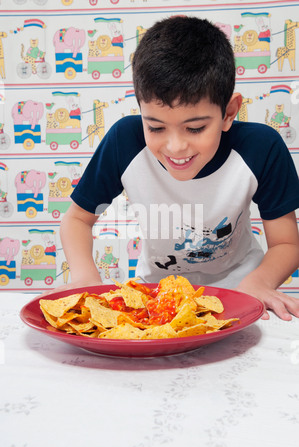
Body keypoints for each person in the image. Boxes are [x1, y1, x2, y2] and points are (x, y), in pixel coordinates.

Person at [59, 16, 299, 321]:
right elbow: (77, 220)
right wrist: (84, 278)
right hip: (155, 298)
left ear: (229, 113)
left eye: (195, 128)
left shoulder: (261, 148)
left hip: (242, 293)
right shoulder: (124, 141)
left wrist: (259, 283)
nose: (175, 147)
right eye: (156, 127)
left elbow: (287, 243)